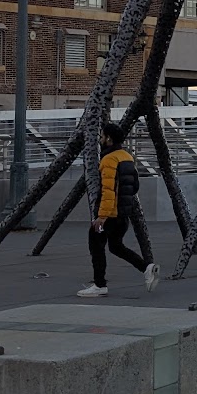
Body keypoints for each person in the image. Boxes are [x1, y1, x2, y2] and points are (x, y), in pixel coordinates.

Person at [77, 123, 159, 297]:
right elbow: (134, 186)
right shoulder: (127, 157)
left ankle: (99, 285)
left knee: (95, 244)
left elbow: (108, 191)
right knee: (116, 246)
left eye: (102, 136)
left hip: (109, 215)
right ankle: (147, 268)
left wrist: (102, 217)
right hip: (123, 214)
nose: (100, 139)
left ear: (109, 139)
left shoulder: (109, 160)